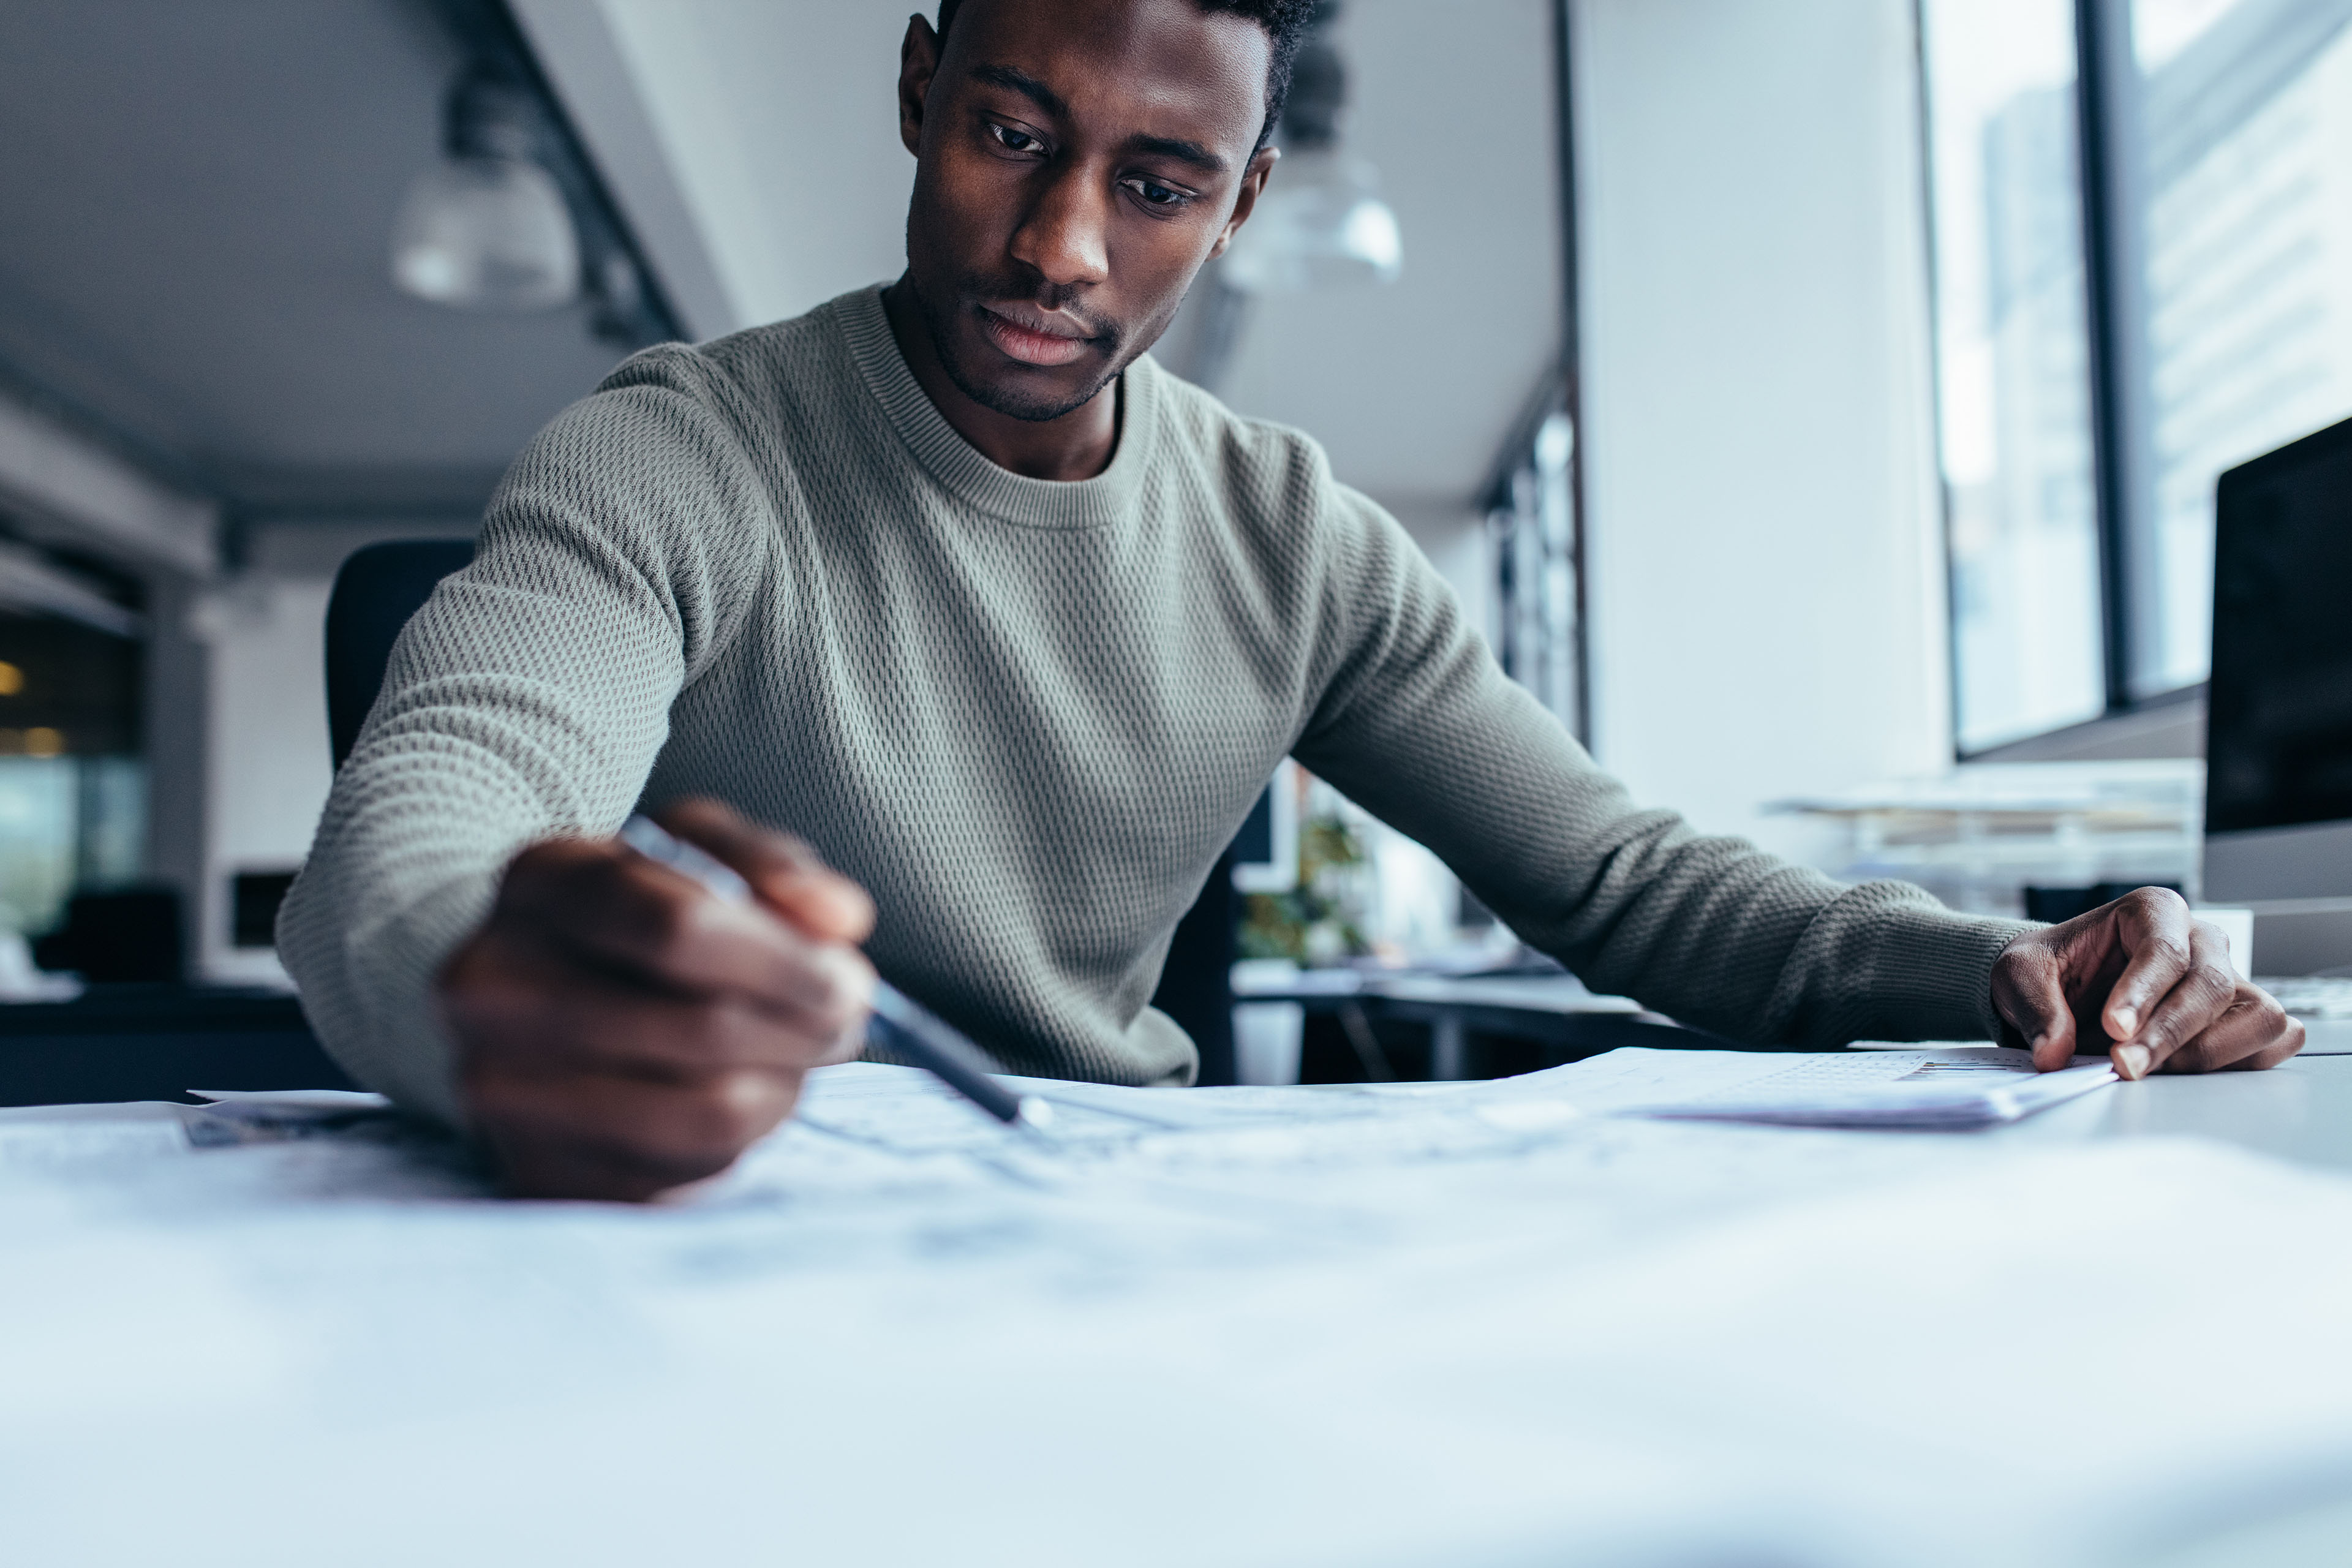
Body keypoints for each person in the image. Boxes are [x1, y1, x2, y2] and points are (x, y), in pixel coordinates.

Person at [279, 0, 2302, 1202]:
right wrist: (489, 993)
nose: (1060, 244)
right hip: (734, 1218)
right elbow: (418, 834)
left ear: (1242, 203)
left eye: (1156, 183)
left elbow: (1628, 885)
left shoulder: (1295, 539)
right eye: (1011, 133)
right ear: (917, 92)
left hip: (1117, 1234)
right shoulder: (674, 454)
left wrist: (2006, 965)